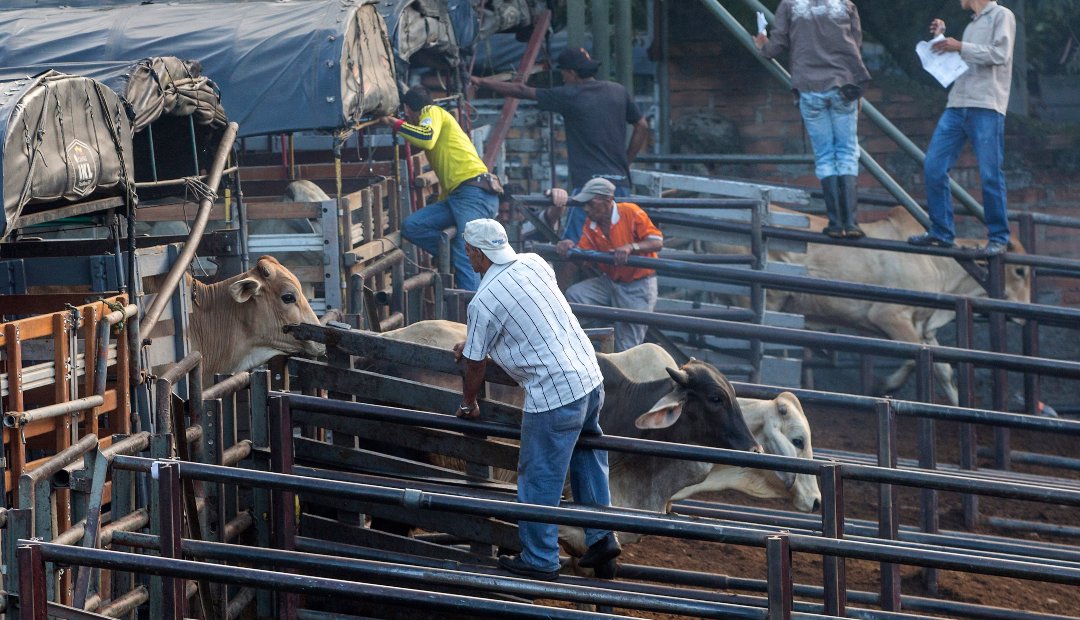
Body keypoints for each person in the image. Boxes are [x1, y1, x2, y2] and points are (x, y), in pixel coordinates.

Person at [454, 218, 621, 581]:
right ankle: (602, 536)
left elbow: (474, 365)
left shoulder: (483, 300)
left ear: (477, 254)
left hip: (554, 393)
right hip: (589, 378)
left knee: (538, 476)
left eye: (469, 251)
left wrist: (469, 404)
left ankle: (541, 558)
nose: (468, 257)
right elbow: (531, 319)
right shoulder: (534, 263)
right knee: (587, 456)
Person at [471, 47, 648, 243]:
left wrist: (480, 81)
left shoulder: (570, 95)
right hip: (619, 183)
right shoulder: (618, 91)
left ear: (571, 73)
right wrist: (626, 162)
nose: (562, 78)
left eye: (563, 73)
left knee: (571, 245)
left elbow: (522, 91)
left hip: (588, 187)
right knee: (619, 240)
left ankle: (563, 275)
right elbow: (641, 125)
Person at [755, 0, 871, 239]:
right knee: (847, 152)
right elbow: (856, 44)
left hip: (809, 87)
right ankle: (851, 223)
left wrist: (762, 44)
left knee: (825, 154)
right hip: (843, 85)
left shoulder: (790, 5)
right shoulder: (845, 5)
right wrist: (858, 87)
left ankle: (834, 223)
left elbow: (777, 45)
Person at [908, 0, 1016, 256]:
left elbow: (1000, 54)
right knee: (933, 165)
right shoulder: (972, 24)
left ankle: (999, 238)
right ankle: (942, 231)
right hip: (957, 103)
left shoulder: (1002, 15)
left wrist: (960, 46)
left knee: (990, 174)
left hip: (986, 105)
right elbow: (966, 57)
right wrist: (942, 40)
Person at [382, 86, 499, 291]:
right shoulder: (438, 116)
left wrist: (396, 124)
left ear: (408, 109)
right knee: (412, 226)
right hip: (461, 195)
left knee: (467, 253)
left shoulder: (431, 112)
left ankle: (476, 315)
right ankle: (456, 256)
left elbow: (426, 138)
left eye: (406, 113)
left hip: (471, 193)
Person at [554, 178, 663, 352]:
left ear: (607, 201)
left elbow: (656, 241)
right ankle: (594, 338)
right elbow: (583, 254)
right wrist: (569, 247)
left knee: (627, 348)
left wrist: (631, 247)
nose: (586, 209)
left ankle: (605, 347)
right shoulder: (592, 225)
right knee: (576, 296)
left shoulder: (630, 212)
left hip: (638, 285)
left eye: (590, 204)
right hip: (611, 282)